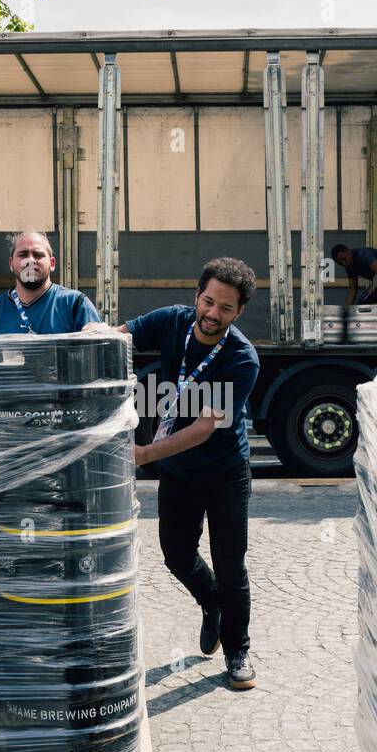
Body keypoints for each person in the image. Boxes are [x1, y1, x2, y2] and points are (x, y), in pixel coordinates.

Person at [87, 257, 261, 689]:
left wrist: (143, 454)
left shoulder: (242, 358)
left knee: (230, 565)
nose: (213, 314)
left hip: (224, 472)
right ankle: (212, 605)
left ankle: (238, 650)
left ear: (238, 312)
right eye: (208, 301)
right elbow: (119, 335)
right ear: (196, 296)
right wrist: (90, 335)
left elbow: (204, 427)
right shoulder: (172, 322)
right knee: (176, 554)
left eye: (225, 308)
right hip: (180, 472)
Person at [0, 230, 101, 337]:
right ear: (11, 263)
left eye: (38, 255)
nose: (30, 260)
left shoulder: (75, 304)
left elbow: (100, 351)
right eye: (23, 255)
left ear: (52, 263)